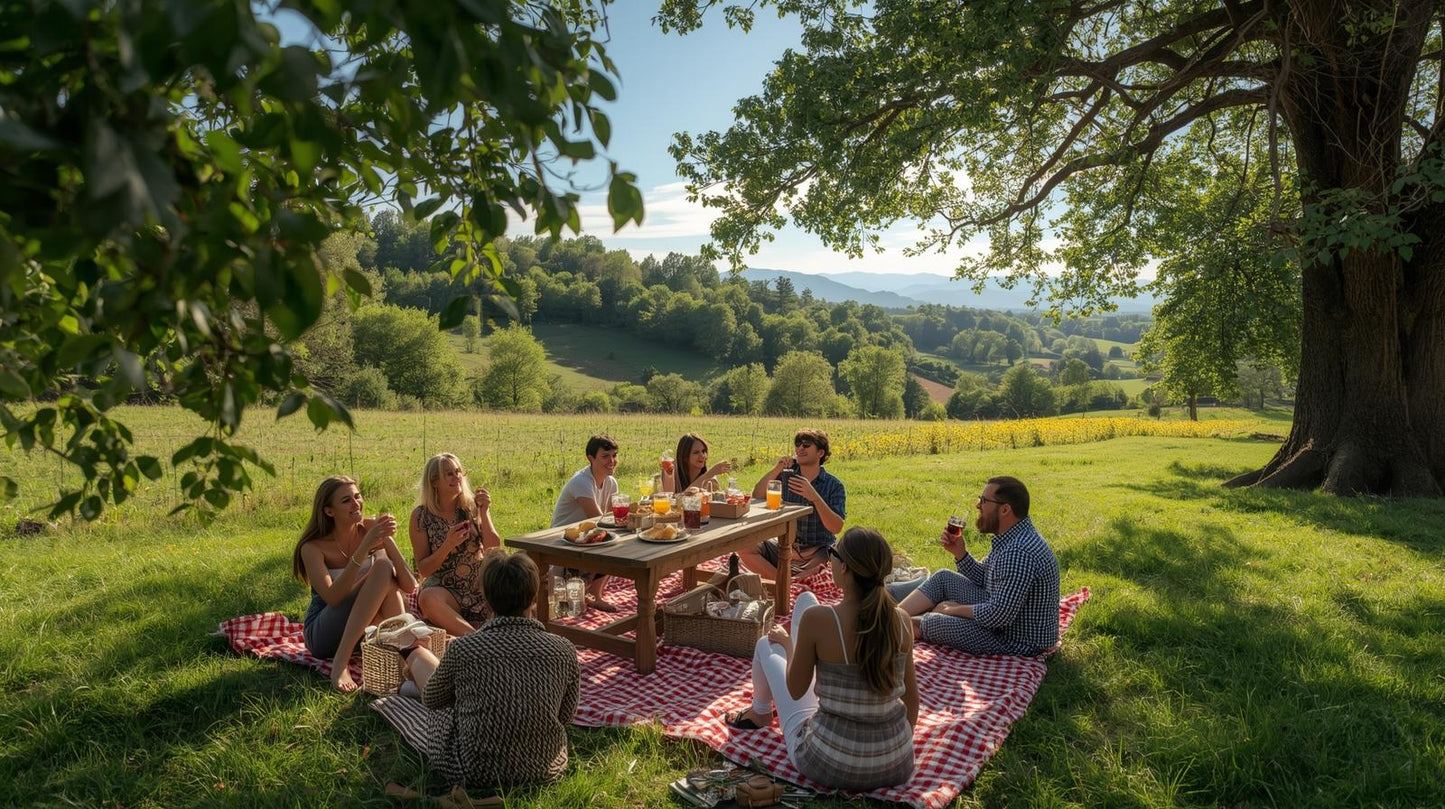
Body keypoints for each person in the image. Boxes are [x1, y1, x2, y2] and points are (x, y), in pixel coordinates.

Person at [726, 527, 918, 792]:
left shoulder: (820, 621)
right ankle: (763, 708)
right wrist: (887, 746)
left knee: (764, 645)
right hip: (896, 763)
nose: (829, 560)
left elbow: (796, 689)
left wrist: (788, 644)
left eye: (833, 554)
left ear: (845, 568)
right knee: (806, 599)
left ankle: (760, 712)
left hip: (827, 762)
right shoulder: (902, 621)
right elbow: (911, 702)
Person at [403, 552, 580, 792]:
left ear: (485, 597)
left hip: (471, 770)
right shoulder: (564, 650)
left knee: (438, 698)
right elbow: (565, 716)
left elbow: (433, 700)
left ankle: (413, 656)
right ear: (535, 597)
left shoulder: (464, 649)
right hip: (545, 767)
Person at [898, 476, 1061, 656]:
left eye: (984, 501)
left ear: (1005, 509)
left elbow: (999, 615)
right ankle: (892, 616)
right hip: (1001, 616)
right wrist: (960, 553)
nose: (978, 505)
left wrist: (953, 610)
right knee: (943, 577)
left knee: (930, 622)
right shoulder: (1013, 537)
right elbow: (986, 578)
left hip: (1014, 640)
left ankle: (884, 628)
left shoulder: (1019, 552)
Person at [292, 475, 419, 692]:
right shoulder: (312, 548)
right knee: (382, 568)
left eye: (357, 496)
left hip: (361, 628)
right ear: (329, 511)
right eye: (346, 500)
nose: (356, 503)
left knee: (387, 579)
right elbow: (332, 598)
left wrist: (387, 540)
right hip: (324, 632)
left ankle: (405, 663)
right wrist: (364, 548)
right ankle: (341, 662)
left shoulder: (369, 529)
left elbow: (409, 586)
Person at [410, 453, 501, 637]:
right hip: (446, 588)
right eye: (449, 474)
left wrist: (484, 512)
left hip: (478, 582)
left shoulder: (470, 507)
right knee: (427, 598)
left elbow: (493, 548)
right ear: (434, 482)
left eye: (458, 471)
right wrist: (447, 545)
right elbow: (424, 570)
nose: (456, 477)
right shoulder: (421, 516)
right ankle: (477, 639)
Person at [740, 428, 845, 580]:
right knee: (744, 546)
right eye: (798, 444)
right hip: (785, 547)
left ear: (820, 453)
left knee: (817, 570)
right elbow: (757, 494)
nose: (800, 448)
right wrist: (777, 469)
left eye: (806, 445)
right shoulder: (788, 475)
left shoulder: (834, 485)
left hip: (817, 551)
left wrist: (815, 497)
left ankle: (792, 578)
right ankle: (783, 582)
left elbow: (836, 527)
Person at [549, 434, 620, 611]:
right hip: (563, 540)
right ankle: (566, 595)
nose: (612, 460)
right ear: (591, 458)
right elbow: (597, 520)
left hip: (587, 538)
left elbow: (612, 520)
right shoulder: (581, 481)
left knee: (616, 544)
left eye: (614, 455)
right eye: (605, 456)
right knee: (562, 606)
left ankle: (595, 595)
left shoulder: (611, 483)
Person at [661, 432, 731, 494]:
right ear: (685, 457)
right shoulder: (671, 470)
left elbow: (719, 505)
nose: (702, 456)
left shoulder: (710, 481)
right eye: (696, 452)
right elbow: (670, 501)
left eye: (703, 451)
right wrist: (710, 473)